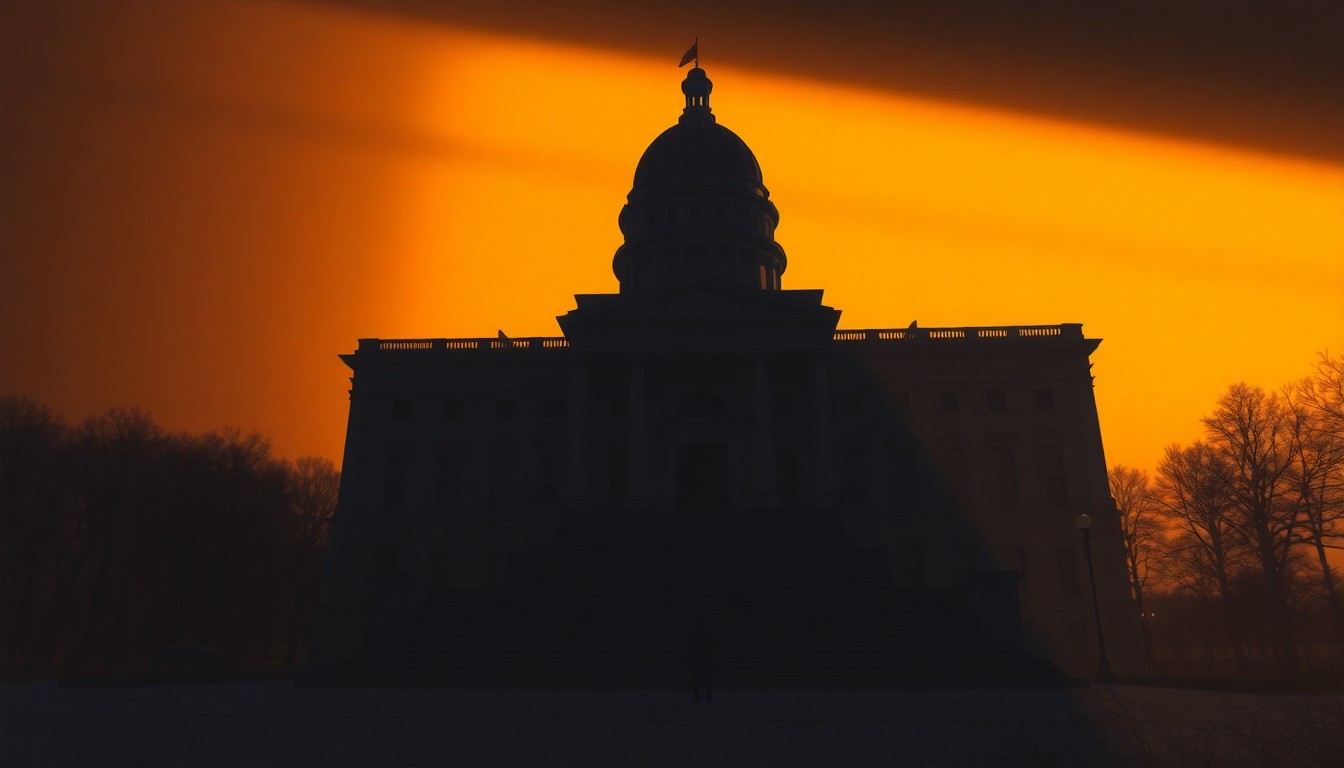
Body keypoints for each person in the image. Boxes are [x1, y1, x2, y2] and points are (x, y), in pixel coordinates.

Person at [688, 624, 715, 703]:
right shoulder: (695, 638)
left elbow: (712, 649)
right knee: (697, 681)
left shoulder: (707, 638)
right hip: (698, 661)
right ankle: (697, 698)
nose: (703, 631)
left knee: (708, 681)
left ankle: (708, 698)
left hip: (705, 661)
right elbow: (691, 650)